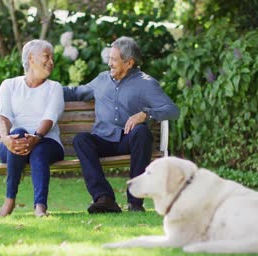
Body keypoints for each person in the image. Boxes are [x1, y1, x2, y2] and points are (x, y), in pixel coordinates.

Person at [63, 36, 179, 214]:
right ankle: (104, 198)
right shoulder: (101, 80)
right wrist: (44, 88)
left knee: (142, 132)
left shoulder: (146, 83)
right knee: (81, 140)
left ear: (129, 62)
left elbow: (172, 110)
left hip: (129, 140)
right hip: (103, 140)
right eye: (109, 58)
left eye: (114, 59)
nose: (109, 63)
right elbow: (75, 92)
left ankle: (135, 201)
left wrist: (145, 114)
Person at [0, 39, 64, 217]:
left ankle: (40, 207)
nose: (51, 62)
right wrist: (6, 138)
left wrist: (37, 137)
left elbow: (50, 117)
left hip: (46, 142)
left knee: (39, 151)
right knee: (17, 134)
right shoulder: (9, 85)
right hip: (13, 146)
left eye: (52, 58)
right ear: (31, 58)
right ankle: (9, 201)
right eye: (47, 57)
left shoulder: (54, 88)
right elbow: (3, 116)